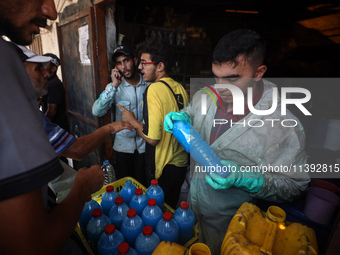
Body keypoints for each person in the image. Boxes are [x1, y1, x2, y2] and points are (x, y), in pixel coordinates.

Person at [164, 29, 310, 253]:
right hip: (189, 211)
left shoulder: (283, 125)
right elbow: (192, 112)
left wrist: (247, 178)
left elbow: (295, 185)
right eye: (217, 76)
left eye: (232, 78)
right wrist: (183, 116)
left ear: (259, 72)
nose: (220, 87)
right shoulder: (205, 96)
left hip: (230, 229)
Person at [0, 1, 103, 254]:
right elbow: (31, 245)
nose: (51, 11)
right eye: (39, 68)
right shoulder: (4, 64)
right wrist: (82, 186)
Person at [10, 42, 133, 161]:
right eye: (38, 69)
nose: (46, 74)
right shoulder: (23, 114)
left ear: (135, 61)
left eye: (126, 60)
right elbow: (79, 148)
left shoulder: (18, 108)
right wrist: (110, 128)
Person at [118, 38, 189, 208]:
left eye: (144, 63)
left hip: (164, 166)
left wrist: (132, 121)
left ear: (160, 66)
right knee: (170, 209)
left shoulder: (154, 89)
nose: (139, 68)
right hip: (179, 163)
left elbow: (152, 138)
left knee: (158, 213)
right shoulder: (179, 88)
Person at [92, 46, 150, 185]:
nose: (124, 66)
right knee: (125, 186)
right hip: (123, 148)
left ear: (135, 61)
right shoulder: (115, 87)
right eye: (119, 63)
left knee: (144, 185)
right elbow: (96, 111)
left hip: (145, 146)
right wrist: (113, 85)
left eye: (126, 60)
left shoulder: (149, 84)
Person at [41, 53, 69, 131]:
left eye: (45, 65)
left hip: (57, 129)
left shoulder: (54, 85)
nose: (42, 68)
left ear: (53, 69)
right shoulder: (49, 83)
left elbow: (52, 112)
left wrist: (43, 126)